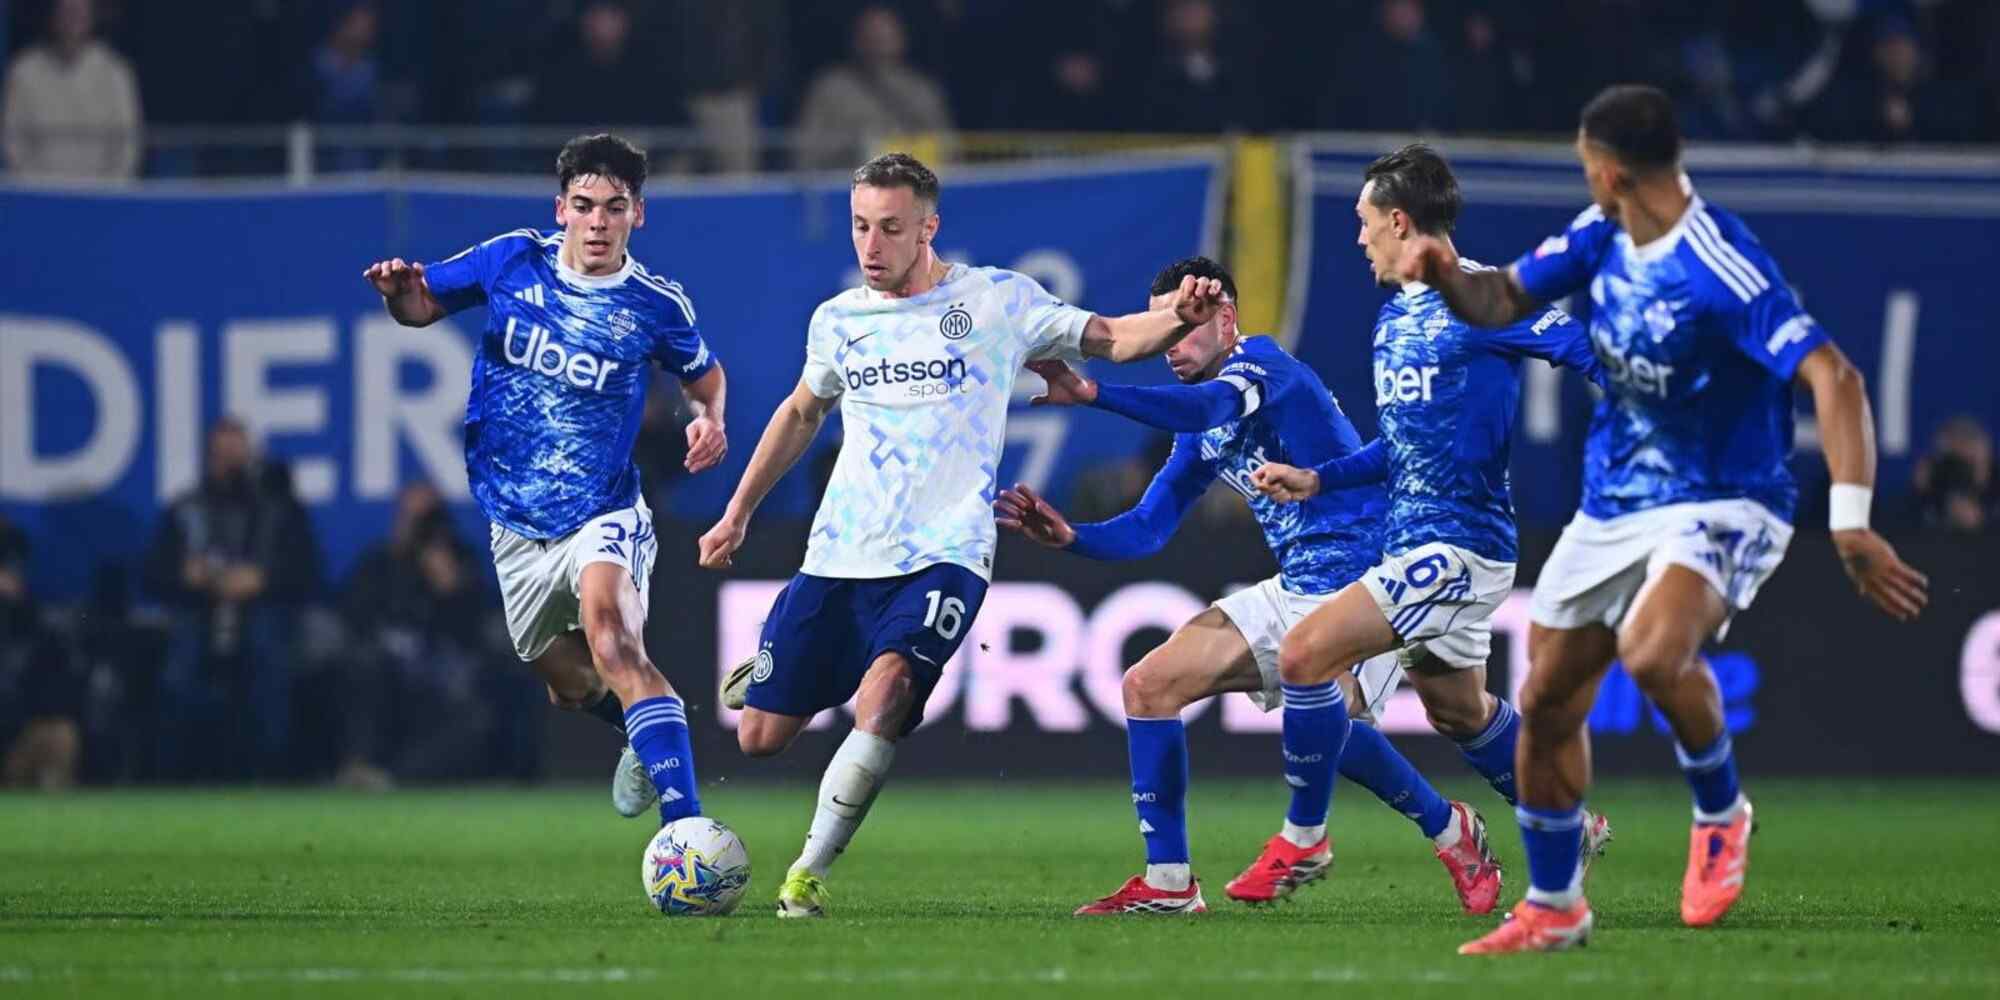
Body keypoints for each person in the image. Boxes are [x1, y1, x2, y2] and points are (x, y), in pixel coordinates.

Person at [1393, 85, 1928, 954]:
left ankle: (1721, 809)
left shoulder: (1721, 264)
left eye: (1582, 162)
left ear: (1609, 171)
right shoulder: (1600, 236)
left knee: (1650, 650)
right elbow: (1501, 302)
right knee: (1547, 696)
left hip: (1726, 496)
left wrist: (1853, 522)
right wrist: (1447, 276)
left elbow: (1836, 379)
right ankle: (1556, 905)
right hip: (1615, 504)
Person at [699, 152, 1223, 918]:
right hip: (841, 552)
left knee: (887, 694)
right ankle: (811, 668)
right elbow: (801, 413)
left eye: (889, 228)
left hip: (946, 552)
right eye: (859, 227)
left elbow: (1111, 337)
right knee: (759, 738)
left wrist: (1180, 314)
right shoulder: (839, 319)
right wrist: (737, 512)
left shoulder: (997, 303)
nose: (870, 247)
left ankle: (806, 874)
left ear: (928, 227)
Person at [996, 255, 1527, 917]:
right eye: (1162, 328)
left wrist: (1097, 393)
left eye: (1185, 326)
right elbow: (1149, 527)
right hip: (1297, 584)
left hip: (1373, 577)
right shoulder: (1202, 429)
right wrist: (1072, 537)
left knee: (1357, 711)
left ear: (1227, 319)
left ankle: (1452, 830)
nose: (1169, 344)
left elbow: (1209, 404)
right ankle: (1169, 886)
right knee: (1148, 685)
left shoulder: (1262, 366)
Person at [1246, 143, 1608, 928]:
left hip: (1460, 548)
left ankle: (1304, 837)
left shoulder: (1483, 297)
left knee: (1306, 653)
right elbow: (1400, 447)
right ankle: (1568, 824)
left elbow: (1582, 349)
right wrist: (1321, 479)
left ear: (1400, 220)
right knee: (1457, 711)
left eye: (1365, 223)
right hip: (1418, 544)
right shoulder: (1395, 316)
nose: (1359, 238)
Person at [360, 133, 728, 829]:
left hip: (603, 508)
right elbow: (420, 307)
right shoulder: (511, 260)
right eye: (584, 206)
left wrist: (709, 418)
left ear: (636, 216)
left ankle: (687, 832)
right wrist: (397, 296)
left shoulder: (655, 304)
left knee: (612, 639)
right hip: (514, 518)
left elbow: (703, 375)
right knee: (568, 685)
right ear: (561, 209)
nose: (597, 222)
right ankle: (643, 735)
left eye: (614, 208)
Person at [144, 419, 318, 780]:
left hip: (261, 611)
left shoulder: (280, 510)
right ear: (209, 457)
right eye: (222, 454)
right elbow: (154, 576)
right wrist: (185, 575)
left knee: (268, 648)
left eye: (236, 453)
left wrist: (263, 580)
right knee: (181, 662)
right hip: (198, 611)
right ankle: (176, 775)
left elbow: (306, 572)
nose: (229, 462)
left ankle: (268, 773)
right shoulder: (185, 509)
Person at [794, 6, 953, 170]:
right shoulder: (830, 90)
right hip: (851, 187)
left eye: (885, 38)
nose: (879, 45)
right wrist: (852, 149)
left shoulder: (922, 91)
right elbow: (805, 156)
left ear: (902, 40)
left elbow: (949, 152)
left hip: (915, 188)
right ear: (856, 41)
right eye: (872, 38)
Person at [1, 0, 141, 179]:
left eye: (79, 11)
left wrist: (106, 192)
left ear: (91, 16)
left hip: (101, 197)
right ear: (53, 15)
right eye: (65, 11)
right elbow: (12, 142)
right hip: (39, 197)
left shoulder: (116, 74)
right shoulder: (23, 72)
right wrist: (36, 189)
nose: (72, 19)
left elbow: (128, 146)